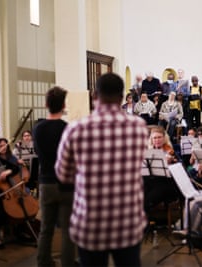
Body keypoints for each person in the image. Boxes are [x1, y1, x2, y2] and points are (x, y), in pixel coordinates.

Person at [55, 73, 147, 266]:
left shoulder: (75, 129)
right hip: (128, 221)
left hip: (90, 222)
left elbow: (62, 174)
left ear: (95, 95)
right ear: (122, 98)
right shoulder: (138, 127)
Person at [33, 86, 76, 267]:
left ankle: (43, 262)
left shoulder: (38, 128)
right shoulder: (67, 129)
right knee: (67, 230)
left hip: (45, 183)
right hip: (66, 183)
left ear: (46, 104)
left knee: (46, 229)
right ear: (64, 105)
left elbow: (37, 152)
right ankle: (68, 263)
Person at [143, 126, 180, 214]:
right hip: (152, 183)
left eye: (159, 137)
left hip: (166, 184)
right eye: (154, 138)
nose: (157, 140)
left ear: (164, 138)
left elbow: (180, 169)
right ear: (151, 140)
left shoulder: (170, 151)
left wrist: (171, 162)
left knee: (146, 201)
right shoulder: (149, 152)